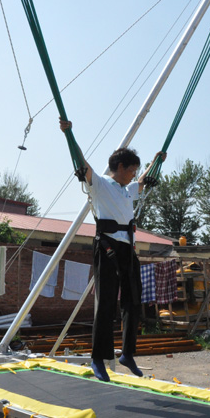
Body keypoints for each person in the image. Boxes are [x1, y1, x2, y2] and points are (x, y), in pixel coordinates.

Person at [59, 118, 166, 382]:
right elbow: (81, 164)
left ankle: (127, 353)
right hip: (106, 245)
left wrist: (156, 161)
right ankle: (98, 358)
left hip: (128, 249)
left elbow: (141, 181)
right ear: (119, 167)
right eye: (131, 169)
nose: (133, 174)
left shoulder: (128, 189)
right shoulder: (101, 184)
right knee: (105, 302)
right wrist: (69, 134)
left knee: (133, 302)